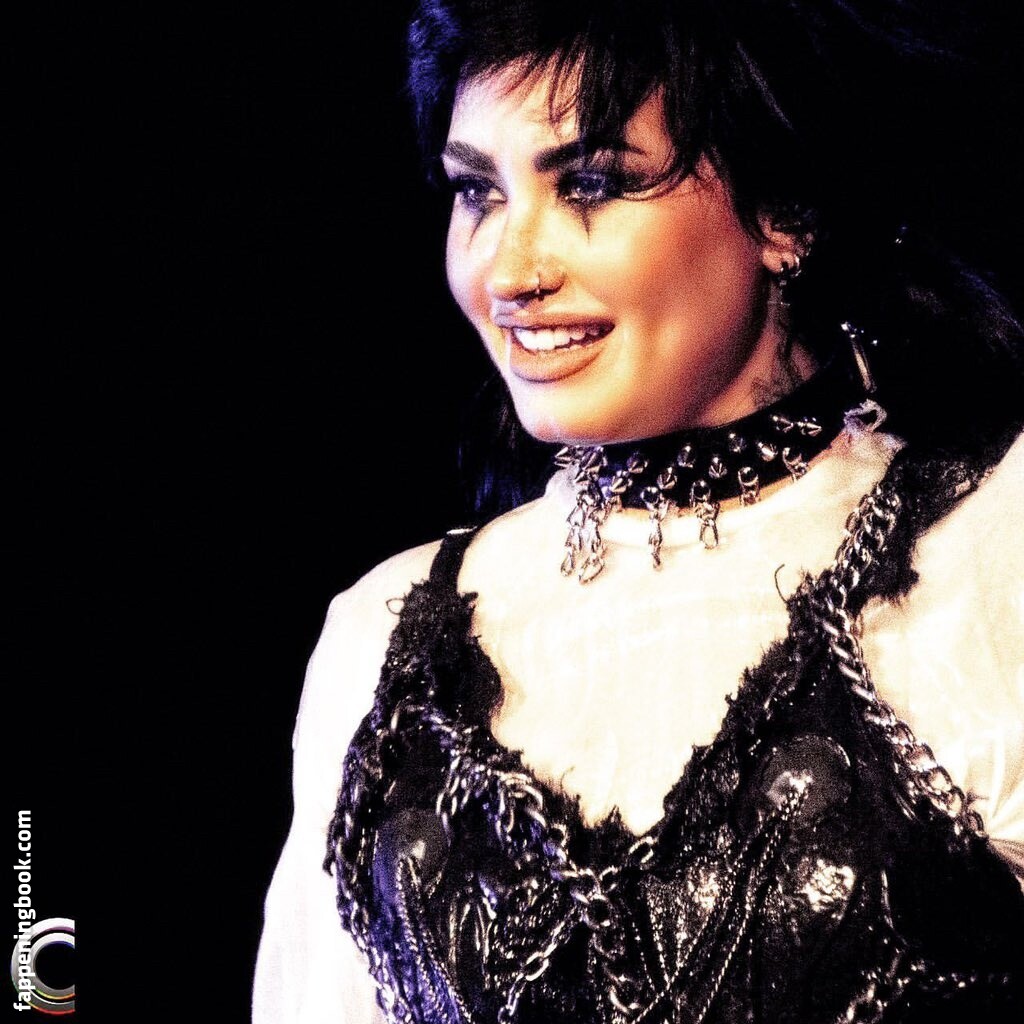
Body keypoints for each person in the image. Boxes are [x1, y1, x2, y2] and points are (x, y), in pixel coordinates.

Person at [253, 1, 1024, 1021]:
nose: (509, 271)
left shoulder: (994, 549)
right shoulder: (380, 637)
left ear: (784, 212)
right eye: (478, 191)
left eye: (592, 185)